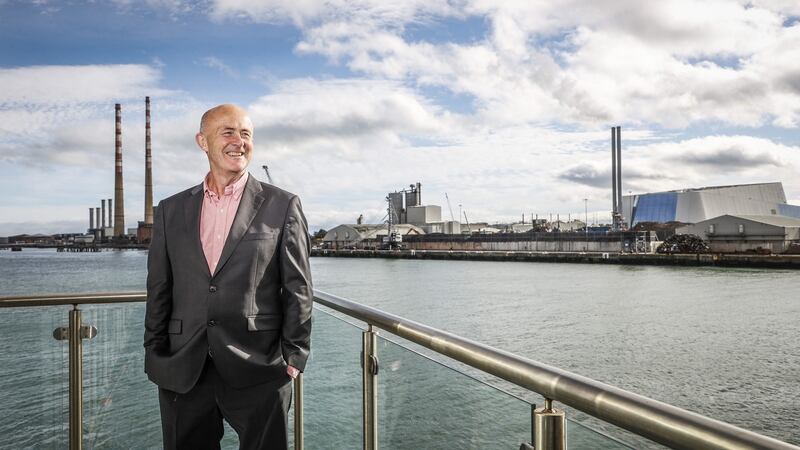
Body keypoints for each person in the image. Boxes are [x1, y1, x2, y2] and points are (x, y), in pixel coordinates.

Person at [144, 104, 312, 450]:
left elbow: (298, 288)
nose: (239, 141)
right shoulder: (170, 210)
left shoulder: (282, 205)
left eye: (246, 133)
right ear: (202, 141)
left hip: (259, 368)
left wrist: (293, 357)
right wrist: (154, 353)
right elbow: (159, 287)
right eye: (228, 132)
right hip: (184, 369)